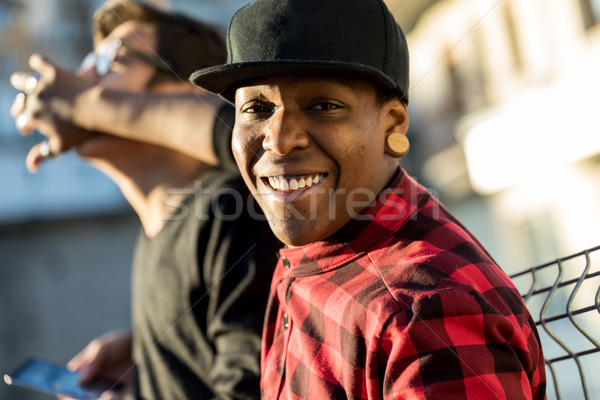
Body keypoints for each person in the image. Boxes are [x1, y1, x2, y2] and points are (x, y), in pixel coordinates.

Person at [187, 0, 547, 399]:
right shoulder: (314, 248)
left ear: (393, 123)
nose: (280, 138)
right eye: (257, 108)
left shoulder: (425, 313)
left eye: (324, 106)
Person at [10, 1, 280, 399]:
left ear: (188, 93)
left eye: (109, 62)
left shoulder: (232, 211)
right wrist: (157, 360)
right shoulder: (167, 228)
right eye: (88, 60)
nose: (81, 79)